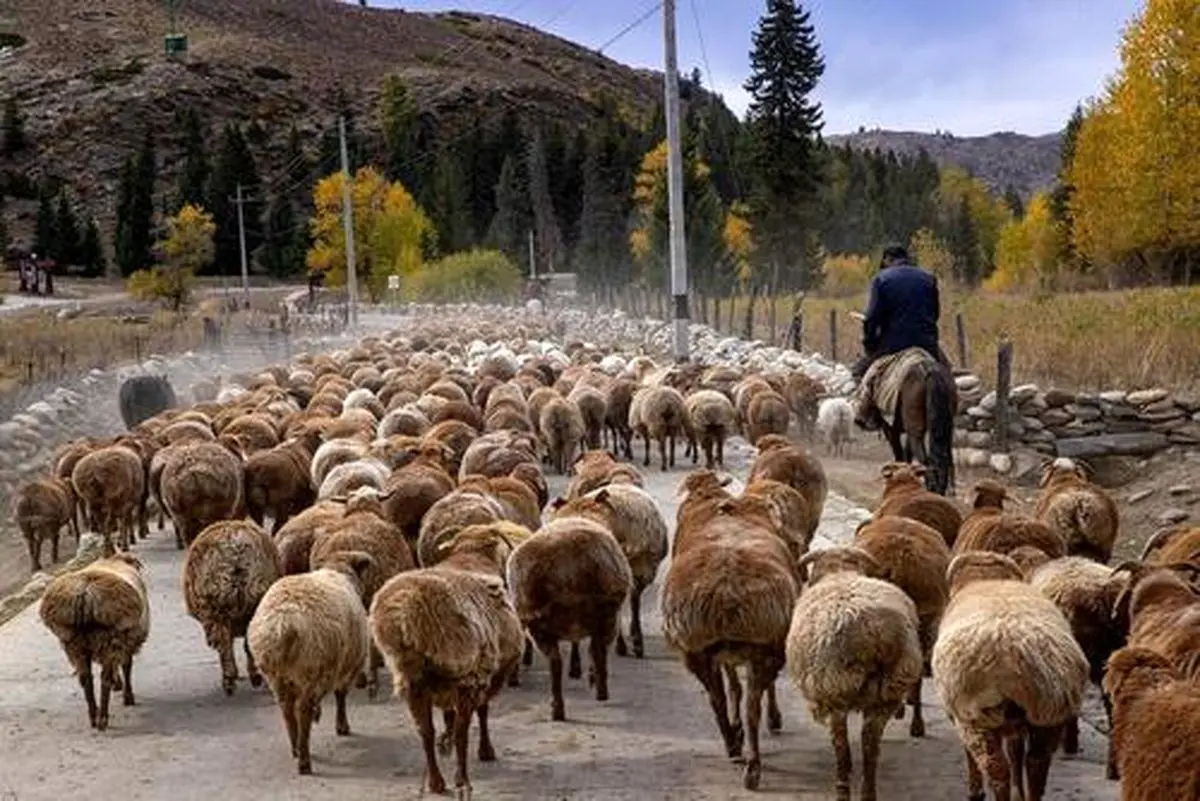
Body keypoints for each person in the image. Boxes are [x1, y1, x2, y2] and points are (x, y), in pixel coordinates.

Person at [850, 244, 952, 384]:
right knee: (947, 372)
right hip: (927, 344)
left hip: (893, 345)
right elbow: (935, 314)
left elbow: (872, 318)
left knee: (859, 375)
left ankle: (863, 403)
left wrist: (870, 344)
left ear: (887, 259)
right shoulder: (929, 278)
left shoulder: (881, 279)